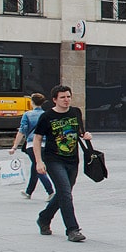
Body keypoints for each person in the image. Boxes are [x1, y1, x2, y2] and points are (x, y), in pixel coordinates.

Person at [30, 85, 92, 242]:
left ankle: (44, 218)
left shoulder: (75, 112)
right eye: (63, 97)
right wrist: (39, 162)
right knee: (65, 193)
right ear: (54, 100)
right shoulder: (47, 117)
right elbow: (37, 139)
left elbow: (80, 132)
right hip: (53, 159)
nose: (67, 100)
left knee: (64, 193)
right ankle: (72, 229)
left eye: (69, 97)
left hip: (73, 159)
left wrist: (86, 135)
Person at [12, 92, 53, 201]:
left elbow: (22, 131)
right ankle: (28, 192)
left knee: (38, 168)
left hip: (31, 144)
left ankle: (50, 191)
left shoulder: (28, 115)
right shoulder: (46, 114)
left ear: (32, 102)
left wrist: (14, 146)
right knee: (35, 167)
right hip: (45, 144)